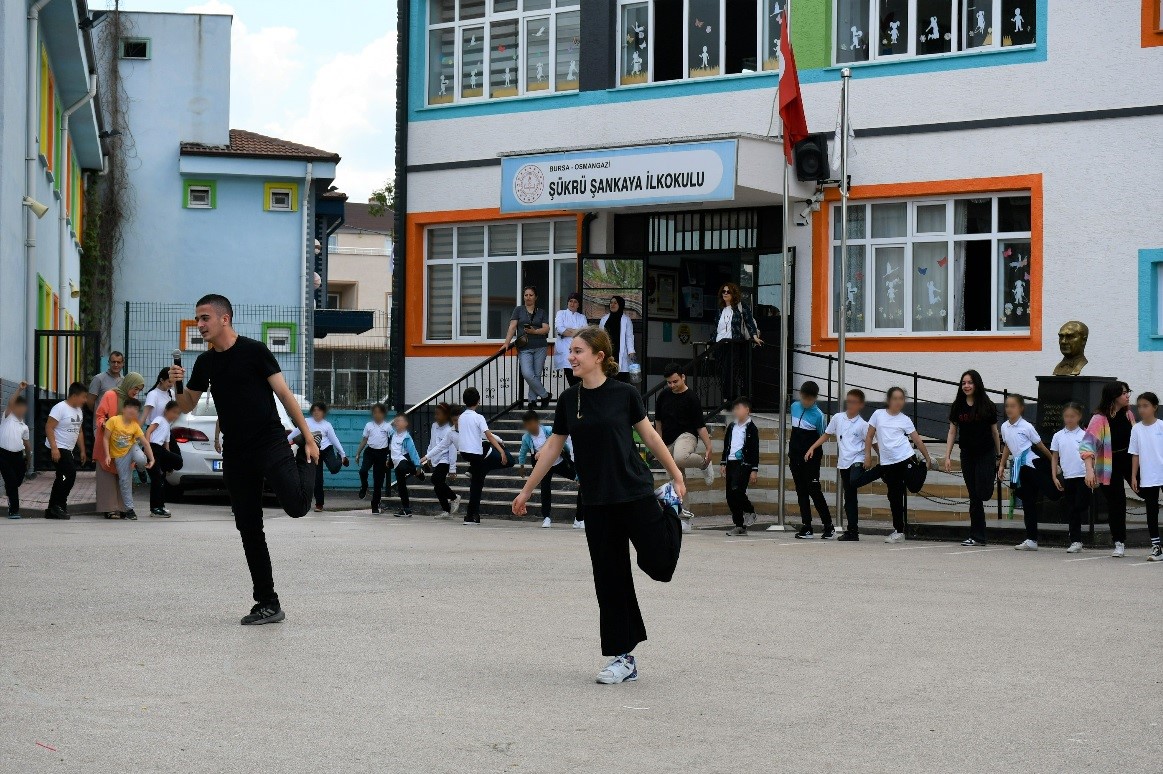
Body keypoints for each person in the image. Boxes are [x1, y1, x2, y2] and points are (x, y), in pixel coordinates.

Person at [512, 326, 685, 685]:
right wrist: (527, 490)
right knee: (610, 578)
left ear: (598, 357)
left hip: (635, 491)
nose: (570, 357)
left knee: (659, 565)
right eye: (569, 351)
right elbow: (552, 449)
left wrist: (676, 476)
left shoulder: (624, 394)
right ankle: (623, 658)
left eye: (577, 351)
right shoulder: (569, 400)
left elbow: (651, 436)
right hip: (598, 502)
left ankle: (668, 508)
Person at [168, 293, 319, 626]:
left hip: (270, 442)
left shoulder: (254, 351)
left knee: (296, 506)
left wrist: (307, 437)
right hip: (237, 452)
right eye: (197, 318)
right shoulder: (205, 363)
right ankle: (268, 602)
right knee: (249, 527)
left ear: (225, 319)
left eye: (205, 318)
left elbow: (284, 394)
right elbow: (188, 406)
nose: (200, 324)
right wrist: (176, 387)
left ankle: (308, 462)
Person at [865, 387, 933, 544]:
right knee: (894, 496)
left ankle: (921, 463)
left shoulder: (905, 419)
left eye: (901, 399)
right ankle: (899, 531)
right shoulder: (878, 415)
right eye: (895, 398)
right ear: (888, 400)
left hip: (905, 457)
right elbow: (869, 437)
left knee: (914, 487)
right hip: (888, 463)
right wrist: (868, 456)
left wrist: (928, 458)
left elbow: (917, 440)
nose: (898, 402)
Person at [943, 370, 1001, 547]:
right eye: (963, 383)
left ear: (977, 384)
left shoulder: (987, 405)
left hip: (986, 453)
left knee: (983, 493)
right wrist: (947, 456)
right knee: (974, 496)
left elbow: (994, 431)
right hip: (967, 454)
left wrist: (999, 456)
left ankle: (988, 478)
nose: (966, 386)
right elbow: (952, 431)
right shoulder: (957, 406)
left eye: (970, 382)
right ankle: (977, 536)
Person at [805, 388, 869, 541]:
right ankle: (852, 531)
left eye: (854, 402)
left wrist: (872, 457)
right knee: (850, 497)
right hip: (843, 463)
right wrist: (813, 447)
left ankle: (880, 471)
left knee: (854, 481)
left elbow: (871, 443)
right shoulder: (838, 418)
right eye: (849, 401)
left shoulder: (863, 424)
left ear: (860, 405)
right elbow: (826, 434)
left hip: (857, 459)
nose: (850, 405)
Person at [1080, 381, 1135, 559]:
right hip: (1109, 465)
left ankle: (1156, 542)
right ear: (1114, 396)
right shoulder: (1099, 418)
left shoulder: (1128, 414)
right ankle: (1119, 542)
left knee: (1148, 490)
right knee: (1117, 503)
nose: (1128, 395)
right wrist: (1089, 471)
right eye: (1124, 393)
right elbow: (1087, 446)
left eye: (1128, 392)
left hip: (1129, 460)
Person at [998, 394, 1051, 551]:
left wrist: (1054, 464)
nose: (1009, 409)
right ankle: (1031, 539)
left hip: (1033, 465)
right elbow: (1007, 446)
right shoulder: (1004, 427)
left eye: (1013, 406)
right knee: (1028, 503)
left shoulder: (1027, 427)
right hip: (1020, 468)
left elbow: (1040, 446)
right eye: (1007, 406)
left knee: (1052, 493)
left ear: (1021, 408)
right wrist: (1001, 465)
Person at [654, 363, 715, 488]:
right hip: (667, 439)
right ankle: (682, 507)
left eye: (675, 381)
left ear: (683, 377)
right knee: (677, 480)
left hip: (687, 436)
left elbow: (700, 426)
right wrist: (659, 443)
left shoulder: (692, 398)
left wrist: (708, 447)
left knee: (680, 458)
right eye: (669, 382)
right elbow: (658, 422)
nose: (672, 385)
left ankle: (704, 464)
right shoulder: (663, 396)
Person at [455, 387, 510, 525]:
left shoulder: (461, 417)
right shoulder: (478, 417)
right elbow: (489, 436)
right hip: (476, 454)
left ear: (464, 401)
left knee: (476, 481)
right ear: (478, 401)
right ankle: (471, 515)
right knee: (477, 485)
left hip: (464, 453)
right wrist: (501, 450)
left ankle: (471, 514)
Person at [95, 371, 145, 518]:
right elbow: (100, 414)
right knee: (107, 477)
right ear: (128, 384)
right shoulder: (110, 395)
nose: (136, 392)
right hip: (108, 440)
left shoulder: (132, 402)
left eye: (139, 390)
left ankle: (123, 508)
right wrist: (103, 423)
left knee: (124, 476)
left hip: (125, 443)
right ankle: (109, 508)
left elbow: (134, 421)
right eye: (135, 388)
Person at [789, 381, 834, 539]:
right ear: (800, 395)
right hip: (795, 456)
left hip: (812, 457)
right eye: (804, 398)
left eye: (810, 399)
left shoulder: (819, 415)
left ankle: (828, 525)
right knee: (801, 491)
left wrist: (812, 448)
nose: (806, 402)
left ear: (815, 398)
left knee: (813, 489)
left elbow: (824, 435)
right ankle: (806, 526)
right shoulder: (794, 407)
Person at [518, 409, 577, 528]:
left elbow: (561, 443)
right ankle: (546, 517)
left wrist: (570, 459)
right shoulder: (526, 438)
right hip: (544, 467)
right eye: (527, 425)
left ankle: (579, 518)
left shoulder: (549, 431)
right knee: (545, 489)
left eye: (531, 423)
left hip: (559, 462)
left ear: (537, 422)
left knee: (577, 477)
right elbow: (522, 451)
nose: (530, 427)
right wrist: (522, 465)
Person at [102, 397, 156, 521]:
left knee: (141, 458)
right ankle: (129, 510)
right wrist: (107, 455)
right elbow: (105, 438)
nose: (132, 411)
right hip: (119, 456)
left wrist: (152, 459)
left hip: (132, 448)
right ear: (124, 409)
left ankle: (141, 469)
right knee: (124, 481)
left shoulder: (135, 426)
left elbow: (145, 443)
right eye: (130, 407)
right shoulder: (113, 421)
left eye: (136, 409)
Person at [288, 402, 349, 512]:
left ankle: (339, 458)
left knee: (334, 468)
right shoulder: (306, 422)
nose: (317, 412)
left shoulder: (327, 425)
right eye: (315, 410)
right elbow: (293, 434)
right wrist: (283, 442)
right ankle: (319, 504)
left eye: (319, 410)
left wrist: (343, 454)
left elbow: (334, 440)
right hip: (315, 451)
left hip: (327, 449)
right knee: (317, 479)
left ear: (323, 413)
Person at [501, 285, 551, 408]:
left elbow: (546, 329)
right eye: (526, 295)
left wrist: (535, 332)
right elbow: (512, 327)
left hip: (540, 346)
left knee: (537, 375)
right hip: (524, 348)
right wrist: (507, 343)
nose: (528, 297)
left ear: (536, 297)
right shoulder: (518, 310)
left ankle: (531, 401)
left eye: (531, 295)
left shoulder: (541, 312)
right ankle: (545, 395)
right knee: (528, 374)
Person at [44, 382, 88, 519]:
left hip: (68, 449)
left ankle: (53, 508)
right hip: (58, 447)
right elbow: (49, 427)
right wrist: (54, 448)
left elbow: (79, 431)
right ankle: (58, 505)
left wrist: (82, 450)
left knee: (62, 477)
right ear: (74, 395)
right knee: (68, 475)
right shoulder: (60, 408)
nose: (85, 400)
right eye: (83, 397)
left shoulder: (79, 410)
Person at [712, 283, 762, 404]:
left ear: (733, 294)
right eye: (723, 292)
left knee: (730, 370)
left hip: (733, 343)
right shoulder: (720, 309)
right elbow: (716, 327)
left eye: (728, 292)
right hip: (720, 343)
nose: (725, 294)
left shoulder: (741, 306)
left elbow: (749, 320)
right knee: (723, 372)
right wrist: (712, 341)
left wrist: (754, 336)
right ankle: (727, 397)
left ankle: (731, 398)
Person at [1051, 402, 1090, 554]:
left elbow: (1090, 456)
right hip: (1068, 476)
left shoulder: (1085, 435)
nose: (1069, 419)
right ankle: (1075, 540)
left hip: (1082, 475)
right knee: (1072, 509)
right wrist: (1054, 475)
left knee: (1081, 505)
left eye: (1072, 416)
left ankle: (1076, 534)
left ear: (1079, 417)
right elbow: (1055, 457)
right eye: (1066, 416)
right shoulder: (1058, 436)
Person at [1129, 392, 1163, 561]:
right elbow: (1135, 454)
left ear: (1155, 407)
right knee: (1151, 511)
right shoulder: (1136, 429)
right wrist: (1134, 476)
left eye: (1145, 405)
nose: (1141, 409)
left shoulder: (1162, 426)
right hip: (1148, 475)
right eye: (1139, 406)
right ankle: (1156, 547)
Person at [722, 397, 759, 536]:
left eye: (739, 408)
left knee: (737, 491)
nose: (736, 411)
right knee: (730, 496)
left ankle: (750, 510)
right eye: (735, 409)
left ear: (747, 410)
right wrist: (723, 462)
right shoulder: (732, 426)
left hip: (744, 464)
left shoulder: (751, 428)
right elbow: (727, 445)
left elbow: (755, 450)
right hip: (731, 462)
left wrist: (754, 469)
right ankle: (739, 525)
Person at [145, 400, 184, 518]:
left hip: (160, 451)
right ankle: (155, 508)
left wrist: (168, 464)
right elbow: (148, 431)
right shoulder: (159, 419)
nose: (175, 416)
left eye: (178, 414)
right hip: (152, 448)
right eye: (174, 412)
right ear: (166, 411)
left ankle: (160, 506)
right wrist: (147, 448)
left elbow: (166, 446)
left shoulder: (168, 426)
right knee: (157, 479)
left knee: (162, 477)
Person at [420, 403, 459, 519]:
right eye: (435, 414)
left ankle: (454, 497)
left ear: (446, 415)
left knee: (435, 479)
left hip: (445, 460)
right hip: (436, 459)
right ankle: (446, 510)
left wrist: (452, 468)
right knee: (437, 486)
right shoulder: (434, 426)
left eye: (439, 414)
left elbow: (452, 450)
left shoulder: (449, 430)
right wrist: (428, 457)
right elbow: (432, 443)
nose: (436, 416)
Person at [0, 383, 31, 519]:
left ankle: (10, 491)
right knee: (12, 482)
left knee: (17, 481)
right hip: (3, 454)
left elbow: (27, 444)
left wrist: (28, 459)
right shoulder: (7, 417)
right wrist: (19, 389)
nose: (22, 410)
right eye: (20, 407)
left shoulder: (24, 426)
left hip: (18, 456)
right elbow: (10, 402)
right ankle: (14, 510)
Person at [355, 403, 392, 514]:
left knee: (378, 481)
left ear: (383, 414)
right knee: (363, 470)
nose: (377, 415)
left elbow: (391, 444)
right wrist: (358, 453)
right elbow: (364, 440)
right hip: (370, 452)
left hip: (382, 454)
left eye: (379, 413)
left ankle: (375, 505)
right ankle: (364, 486)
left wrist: (389, 458)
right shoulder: (369, 425)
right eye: (375, 413)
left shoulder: (387, 427)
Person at [387, 414, 424, 517]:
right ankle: (406, 509)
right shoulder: (392, 434)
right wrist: (388, 459)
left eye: (400, 421)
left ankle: (418, 471)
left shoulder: (407, 437)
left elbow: (413, 452)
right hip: (395, 462)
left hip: (402, 460)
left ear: (406, 424)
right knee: (401, 486)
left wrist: (418, 465)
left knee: (402, 466)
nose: (397, 423)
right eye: (396, 421)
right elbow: (391, 449)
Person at [599, 296, 636, 383]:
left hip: (620, 352)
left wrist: (631, 351)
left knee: (620, 377)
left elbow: (629, 337)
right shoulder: (604, 319)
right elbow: (600, 336)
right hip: (608, 352)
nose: (612, 304)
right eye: (611, 302)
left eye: (615, 303)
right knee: (607, 376)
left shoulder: (626, 320)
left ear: (620, 305)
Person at [554, 292, 587, 387]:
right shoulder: (561, 313)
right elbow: (560, 329)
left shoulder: (582, 317)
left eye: (575, 301)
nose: (572, 304)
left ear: (578, 304)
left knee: (579, 380)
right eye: (570, 301)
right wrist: (577, 331)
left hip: (578, 351)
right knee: (571, 380)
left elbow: (584, 333)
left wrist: (568, 331)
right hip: (565, 351)